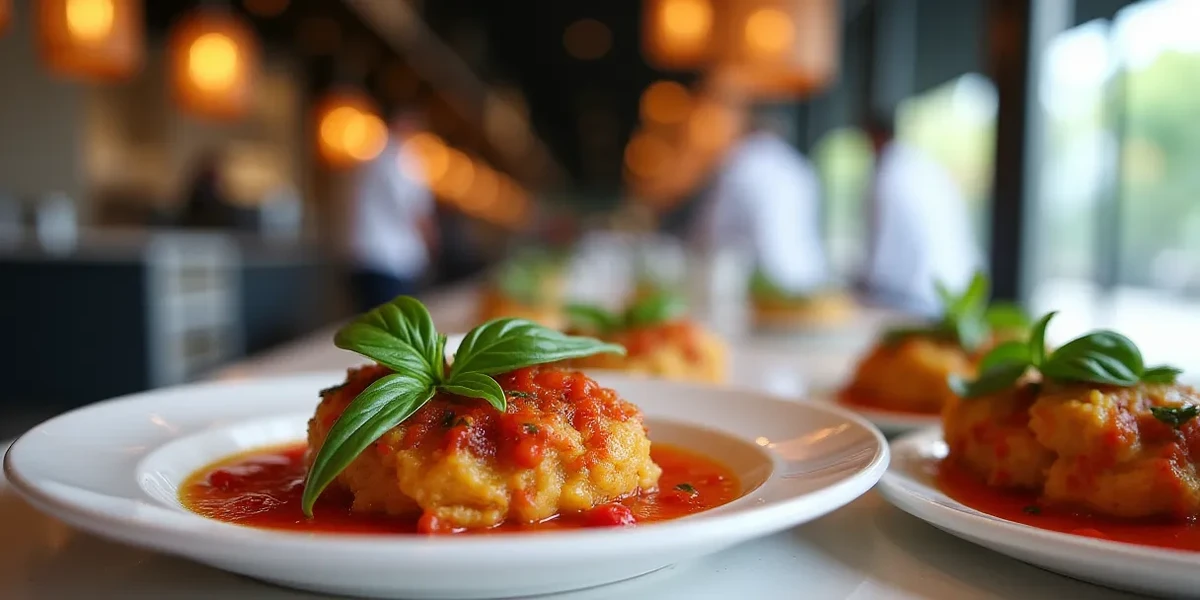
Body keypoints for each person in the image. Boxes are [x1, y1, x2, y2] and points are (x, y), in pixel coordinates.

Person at [690, 106, 829, 295]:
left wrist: (693, 248)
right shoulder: (798, 165)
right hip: (806, 272)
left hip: (759, 279)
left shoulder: (739, 162)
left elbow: (713, 224)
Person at [861, 112, 982, 316]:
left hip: (918, 294)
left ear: (877, 136)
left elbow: (882, 248)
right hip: (957, 283)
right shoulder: (922, 166)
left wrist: (867, 284)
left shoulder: (890, 177)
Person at [347, 109, 438, 312]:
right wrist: (433, 244)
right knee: (392, 331)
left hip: (364, 258)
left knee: (369, 326)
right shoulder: (401, 159)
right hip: (391, 263)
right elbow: (415, 210)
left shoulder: (369, 156)